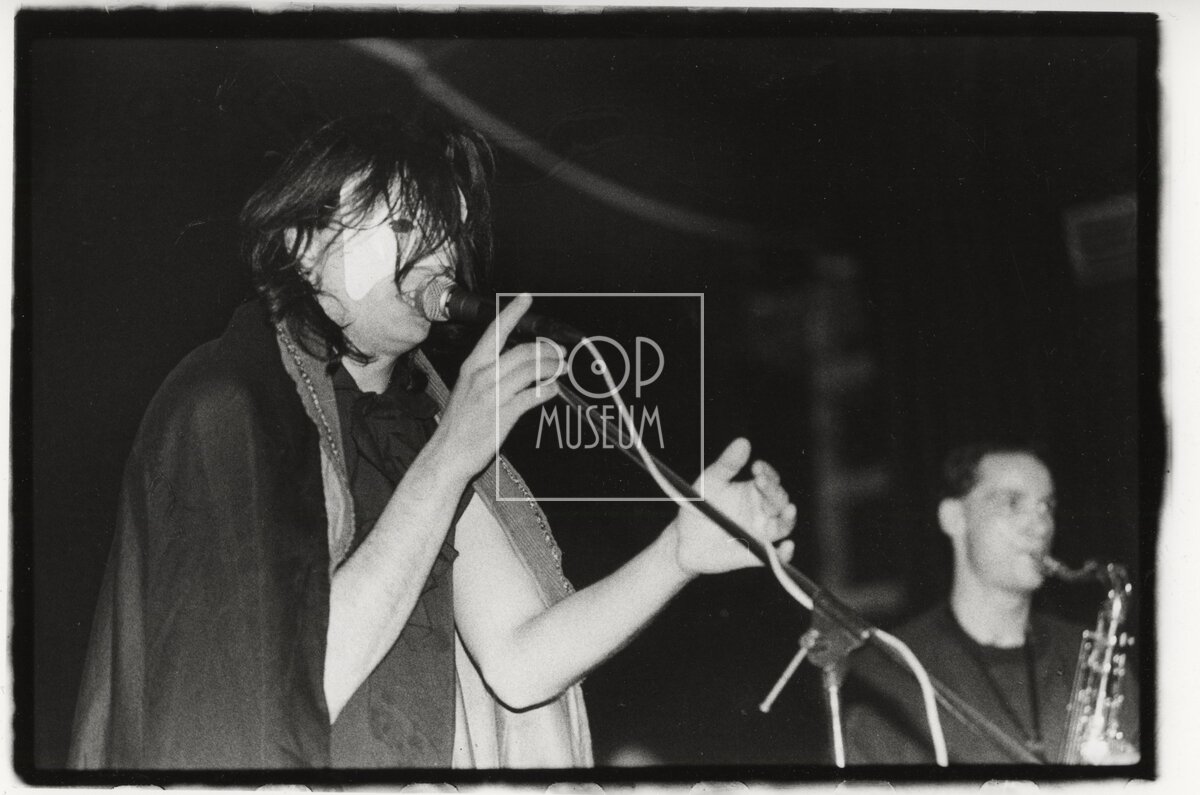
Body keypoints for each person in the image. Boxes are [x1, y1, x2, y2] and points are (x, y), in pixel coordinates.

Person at [68, 114, 797, 770]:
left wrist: (678, 554)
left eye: (447, 226)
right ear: (299, 242)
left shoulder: (422, 420)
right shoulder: (227, 406)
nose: (439, 252)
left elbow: (520, 663)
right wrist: (451, 455)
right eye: (402, 224)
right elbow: (291, 688)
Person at [843, 441, 1137, 765]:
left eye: (1046, 506)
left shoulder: (1097, 662)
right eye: (1013, 502)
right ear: (954, 517)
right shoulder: (887, 673)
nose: (1041, 526)